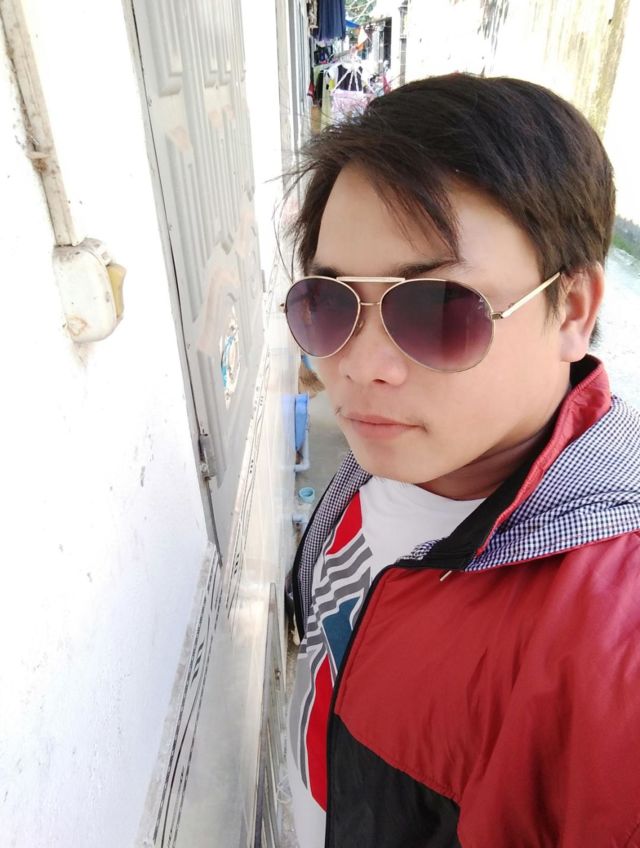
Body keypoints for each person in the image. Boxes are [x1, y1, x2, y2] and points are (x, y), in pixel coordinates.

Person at [283, 73, 640, 847]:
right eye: (329, 302)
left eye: (438, 309)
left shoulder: (606, 648)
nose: (361, 367)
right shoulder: (387, 459)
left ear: (573, 311)